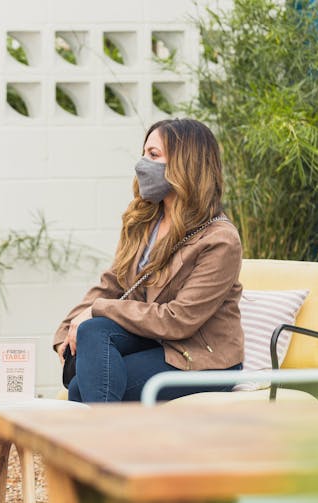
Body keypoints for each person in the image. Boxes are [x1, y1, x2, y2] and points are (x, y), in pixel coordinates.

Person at [54, 118, 244, 403]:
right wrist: (68, 328)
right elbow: (113, 282)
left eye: (153, 155)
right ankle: (109, 444)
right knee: (93, 332)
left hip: (203, 359)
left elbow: (179, 320)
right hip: (155, 342)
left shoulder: (219, 240)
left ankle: (101, 445)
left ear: (184, 166)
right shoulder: (146, 220)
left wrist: (97, 309)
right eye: (144, 154)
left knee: (83, 386)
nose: (141, 164)